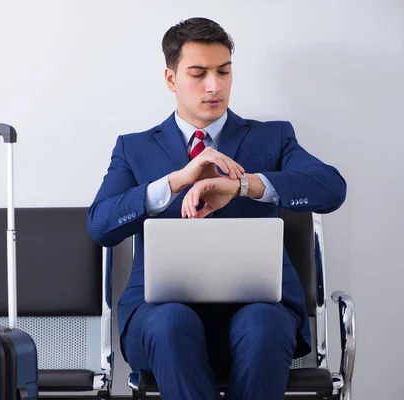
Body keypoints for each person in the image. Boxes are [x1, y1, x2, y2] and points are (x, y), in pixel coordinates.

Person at [87, 16, 347, 400]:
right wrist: (176, 180)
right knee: (172, 321)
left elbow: (331, 188)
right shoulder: (134, 148)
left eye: (224, 72)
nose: (215, 86)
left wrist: (244, 185)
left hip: (259, 319)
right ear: (171, 79)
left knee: (263, 322)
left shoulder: (272, 137)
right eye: (199, 74)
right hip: (159, 322)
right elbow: (101, 225)